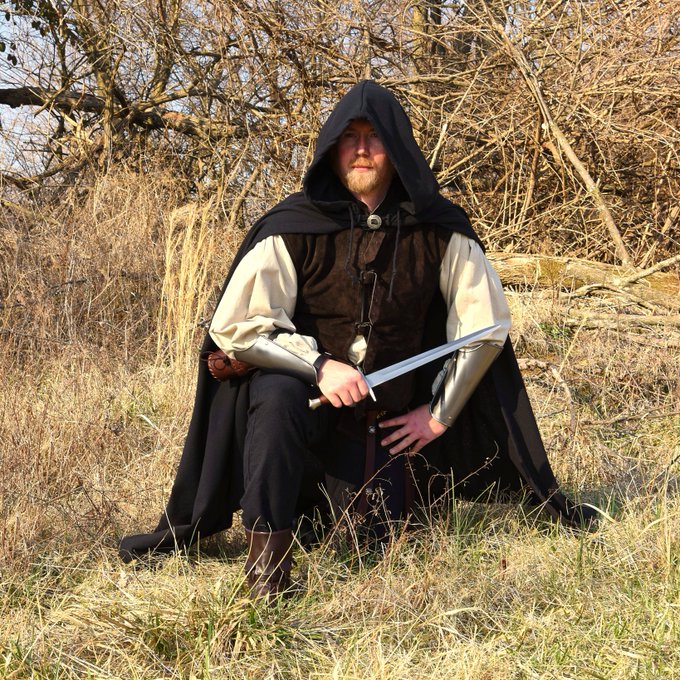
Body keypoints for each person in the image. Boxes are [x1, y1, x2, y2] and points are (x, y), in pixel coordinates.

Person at [119, 81, 594, 597]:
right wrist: (319, 366)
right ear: (332, 147)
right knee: (275, 395)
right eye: (350, 137)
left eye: (375, 137)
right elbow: (237, 326)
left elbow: (485, 329)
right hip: (307, 431)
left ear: (397, 146)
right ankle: (266, 575)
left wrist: (438, 415)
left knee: (382, 540)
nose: (362, 149)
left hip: (395, 432)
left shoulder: (439, 229)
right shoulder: (292, 227)